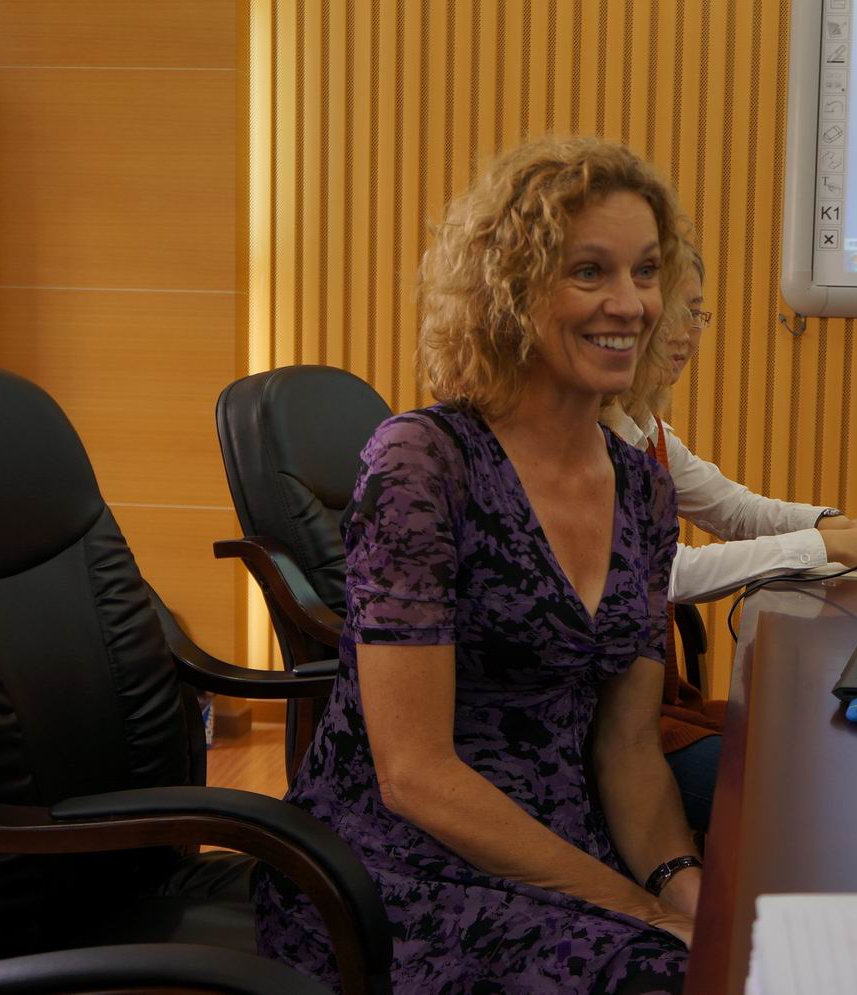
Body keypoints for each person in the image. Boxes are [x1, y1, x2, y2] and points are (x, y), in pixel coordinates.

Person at [253, 137, 697, 994]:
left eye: (646, 271)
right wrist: (639, 910)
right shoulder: (425, 460)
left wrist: (684, 887)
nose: (631, 303)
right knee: (666, 973)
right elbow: (414, 776)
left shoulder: (644, 488)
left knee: (736, 944)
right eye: (590, 271)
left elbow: (630, 747)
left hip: (561, 853)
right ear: (511, 290)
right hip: (394, 871)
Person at [603, 246, 857, 831]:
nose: (688, 334)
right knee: (800, 786)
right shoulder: (590, 437)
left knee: (818, 740)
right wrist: (822, 548)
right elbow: (664, 574)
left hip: (654, 706)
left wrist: (829, 523)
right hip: (612, 727)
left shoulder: (647, 429)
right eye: (677, 312)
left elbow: (736, 510)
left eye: (698, 314)